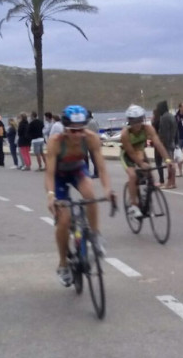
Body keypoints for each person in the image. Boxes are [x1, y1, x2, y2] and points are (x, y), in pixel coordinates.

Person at [45, 105, 112, 287]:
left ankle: (95, 235)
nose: (77, 135)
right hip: (58, 176)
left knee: (90, 193)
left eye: (80, 130)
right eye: (73, 131)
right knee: (64, 219)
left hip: (77, 170)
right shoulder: (55, 141)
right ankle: (63, 264)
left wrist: (107, 189)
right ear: (65, 129)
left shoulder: (90, 138)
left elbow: (102, 168)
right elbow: (49, 174)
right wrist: (51, 196)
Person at [120, 105, 173, 218]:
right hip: (127, 156)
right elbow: (131, 153)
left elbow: (158, 144)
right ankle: (134, 205)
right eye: (134, 121)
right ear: (129, 121)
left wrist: (167, 159)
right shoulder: (125, 134)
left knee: (150, 175)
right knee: (133, 176)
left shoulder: (148, 128)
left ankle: (146, 199)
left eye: (140, 120)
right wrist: (140, 164)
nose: (137, 123)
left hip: (140, 152)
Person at [157, 100, 178, 189]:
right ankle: (173, 182)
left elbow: (164, 133)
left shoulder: (164, 118)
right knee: (171, 163)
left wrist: (162, 143)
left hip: (167, 143)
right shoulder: (171, 116)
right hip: (172, 142)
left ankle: (169, 183)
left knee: (169, 164)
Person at [151, 108, 164, 186]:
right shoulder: (162, 120)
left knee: (158, 162)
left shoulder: (156, 121)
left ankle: (161, 179)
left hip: (158, 143)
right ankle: (163, 179)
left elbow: (153, 132)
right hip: (162, 142)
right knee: (161, 161)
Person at [86, 110, 100, 178]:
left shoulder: (87, 122)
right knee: (94, 158)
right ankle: (97, 172)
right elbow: (97, 129)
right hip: (94, 140)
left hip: (89, 142)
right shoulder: (94, 121)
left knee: (90, 158)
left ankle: (88, 172)